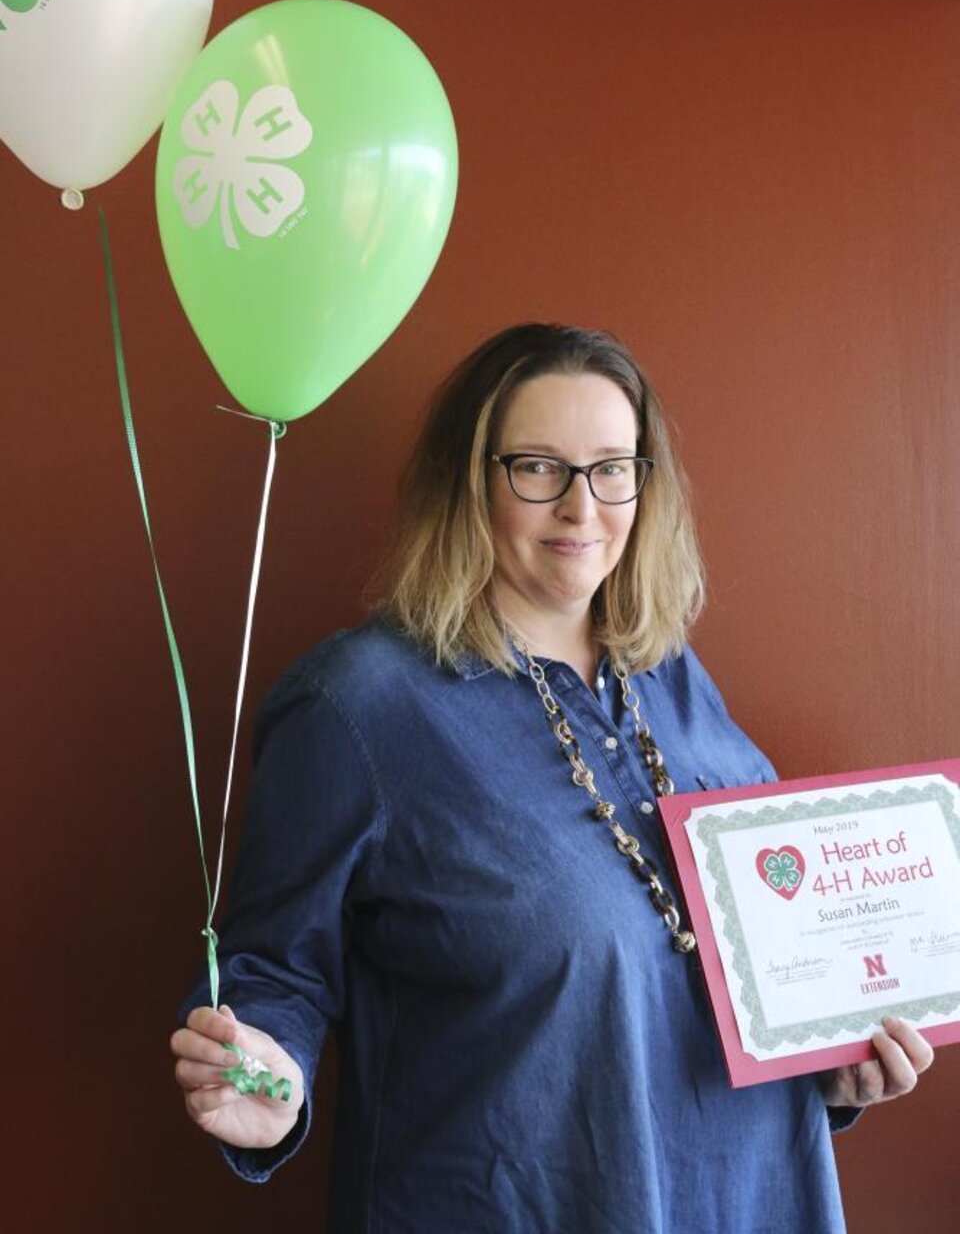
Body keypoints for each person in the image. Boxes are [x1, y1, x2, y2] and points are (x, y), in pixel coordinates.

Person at [170, 324, 933, 1233]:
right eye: (538, 467)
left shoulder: (675, 680)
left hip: (753, 1196)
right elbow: (273, 969)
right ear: (470, 481)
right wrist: (267, 1078)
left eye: (614, 467)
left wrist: (835, 1060)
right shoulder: (358, 703)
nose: (583, 506)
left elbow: (750, 970)